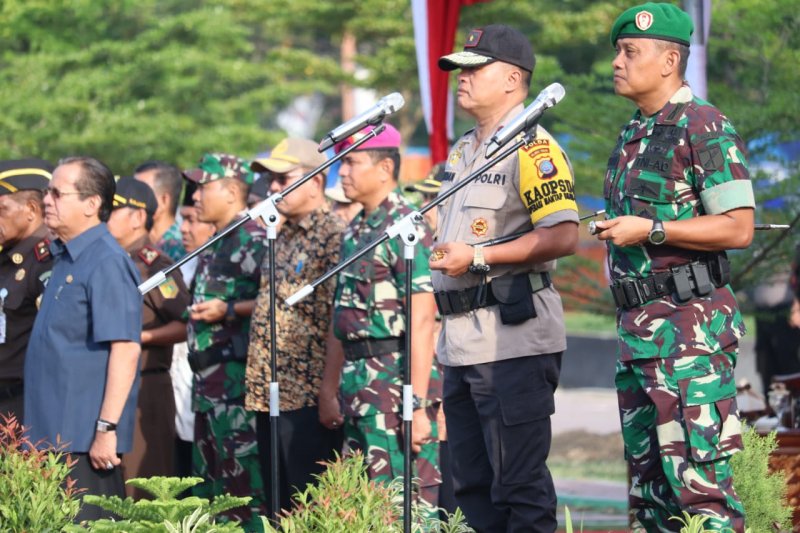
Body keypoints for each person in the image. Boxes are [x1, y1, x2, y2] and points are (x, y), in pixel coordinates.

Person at [593, 3, 755, 530]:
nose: (617, 61)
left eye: (630, 51)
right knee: (651, 501)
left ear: (669, 60)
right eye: (618, 50)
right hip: (637, 338)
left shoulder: (704, 125)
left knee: (702, 498)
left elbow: (737, 226)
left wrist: (653, 230)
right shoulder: (631, 136)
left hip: (689, 339)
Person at [431, 24, 579, 531]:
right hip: (461, 343)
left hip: (511, 340)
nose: (462, 79)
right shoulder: (463, 150)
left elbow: (562, 235)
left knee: (518, 486)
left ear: (514, 79)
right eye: (459, 69)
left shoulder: (533, 149)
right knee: (470, 485)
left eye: (475, 68)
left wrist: (476, 256)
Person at [318, 124, 442, 520]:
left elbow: (423, 320)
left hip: (394, 384)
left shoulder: (407, 227)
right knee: (358, 508)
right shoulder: (356, 229)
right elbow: (343, 317)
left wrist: (418, 406)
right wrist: (329, 386)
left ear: (385, 167)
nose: (344, 174)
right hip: (357, 386)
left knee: (403, 508)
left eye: (352, 163)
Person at [24, 156, 142, 522]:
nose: (47, 200)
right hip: (50, 437)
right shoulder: (67, 257)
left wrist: (106, 429)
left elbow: (124, 348)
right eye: (47, 192)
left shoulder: (106, 260)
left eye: (58, 193)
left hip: (83, 440)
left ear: (92, 204)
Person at [245, 137, 345, 513]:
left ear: (316, 181)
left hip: (307, 393)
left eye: (283, 179)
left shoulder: (334, 234)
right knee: (277, 507)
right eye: (271, 180)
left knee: (309, 506)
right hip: (269, 391)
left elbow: (338, 317)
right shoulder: (280, 233)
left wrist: (328, 390)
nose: (273, 188)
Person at [183, 153, 268, 528]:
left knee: (242, 492)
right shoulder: (216, 241)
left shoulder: (253, 238)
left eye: (204, 187)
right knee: (211, 493)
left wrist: (229, 309)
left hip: (236, 389)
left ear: (232, 191)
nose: (195, 196)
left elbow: (273, 301)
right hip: (206, 388)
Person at [107, 176, 191, 498]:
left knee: (144, 491)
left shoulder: (153, 266)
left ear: (138, 217)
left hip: (146, 388)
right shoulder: (109, 261)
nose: (105, 218)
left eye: (113, 210)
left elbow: (184, 323)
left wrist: (138, 337)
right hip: (112, 387)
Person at [0, 159, 54, 422]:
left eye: (2, 209)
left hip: (22, 404)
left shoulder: (48, 260)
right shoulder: (8, 257)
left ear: (32, 209)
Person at [171, 180, 216, 481]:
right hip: (179, 388)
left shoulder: (224, 267)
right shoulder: (182, 266)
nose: (184, 229)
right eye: (182, 219)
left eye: (192, 220)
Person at [134, 161, 186, 262]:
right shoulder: (137, 242)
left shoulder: (179, 249)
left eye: (140, 192)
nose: (132, 198)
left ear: (164, 200)